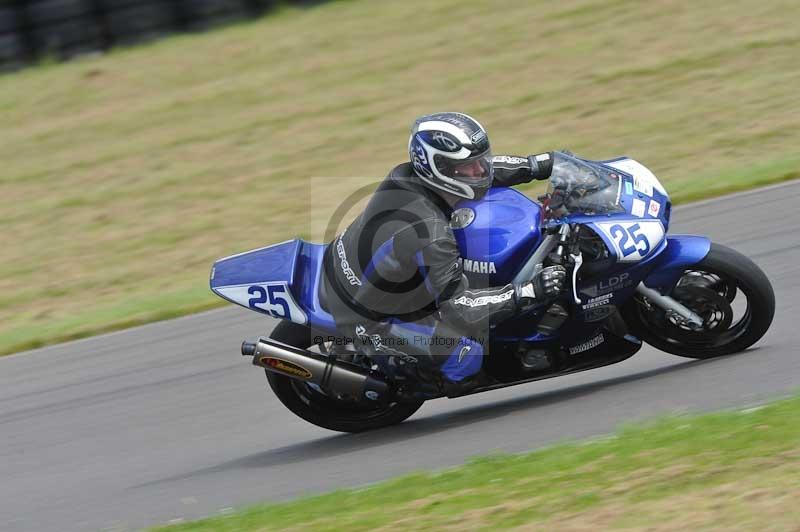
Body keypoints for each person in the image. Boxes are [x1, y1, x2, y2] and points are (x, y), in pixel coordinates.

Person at [322, 112, 566, 394]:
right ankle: (413, 380)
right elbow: (459, 308)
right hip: (371, 315)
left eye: (481, 161)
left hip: (365, 266)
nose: (480, 171)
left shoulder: (416, 174)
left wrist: (544, 165)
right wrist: (527, 292)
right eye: (469, 166)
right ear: (440, 168)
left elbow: (488, 171)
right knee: (468, 357)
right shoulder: (431, 232)